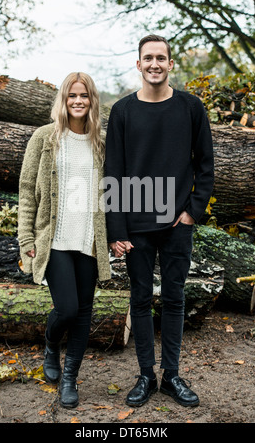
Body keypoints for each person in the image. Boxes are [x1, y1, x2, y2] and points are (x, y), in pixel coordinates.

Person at [105, 35, 214, 407]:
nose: (154, 64)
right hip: (135, 227)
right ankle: (146, 376)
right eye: (147, 58)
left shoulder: (191, 108)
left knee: (174, 298)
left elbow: (206, 165)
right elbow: (114, 173)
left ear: (171, 64)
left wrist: (191, 212)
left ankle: (172, 376)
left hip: (176, 226)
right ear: (138, 64)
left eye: (161, 58)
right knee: (139, 299)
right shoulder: (122, 111)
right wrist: (116, 229)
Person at [18, 72, 111, 409]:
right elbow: (28, 190)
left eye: (84, 96)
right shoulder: (45, 138)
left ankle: (70, 378)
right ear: (63, 99)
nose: (77, 101)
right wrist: (25, 236)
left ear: (92, 101)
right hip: (55, 238)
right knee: (67, 308)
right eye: (72, 95)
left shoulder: (101, 140)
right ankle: (50, 343)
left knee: (84, 313)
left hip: (88, 239)